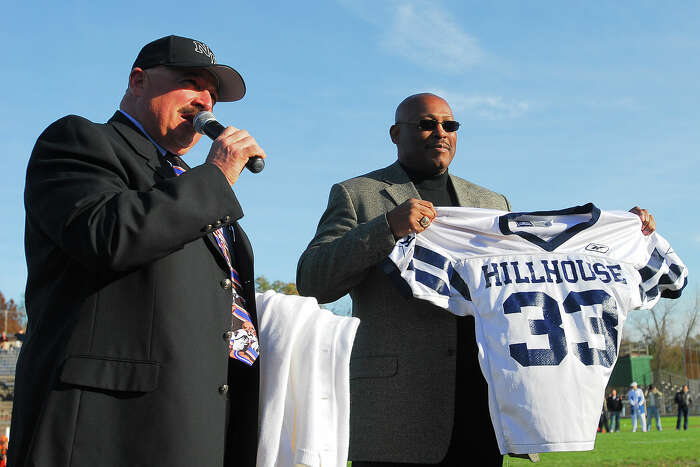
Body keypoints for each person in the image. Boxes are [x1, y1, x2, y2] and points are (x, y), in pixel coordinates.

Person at [296, 92, 656, 466]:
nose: (440, 132)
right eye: (426, 124)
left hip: (483, 409)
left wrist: (623, 231)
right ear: (395, 133)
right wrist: (386, 227)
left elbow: (543, 268)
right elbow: (312, 279)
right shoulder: (357, 195)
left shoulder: (491, 204)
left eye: (449, 125)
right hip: (398, 412)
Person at [10, 35, 265, 466]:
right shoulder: (79, 141)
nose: (205, 101)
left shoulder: (192, 183)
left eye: (214, 94)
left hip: (198, 424)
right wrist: (214, 178)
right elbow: (109, 235)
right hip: (110, 429)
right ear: (138, 80)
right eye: (190, 82)